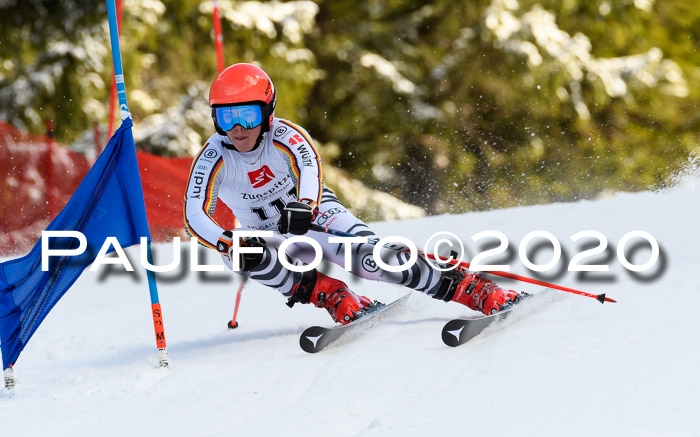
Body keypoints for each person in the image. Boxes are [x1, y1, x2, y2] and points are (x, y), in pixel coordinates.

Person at [184, 63, 522, 325]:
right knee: (240, 254)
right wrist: (227, 240)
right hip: (265, 232)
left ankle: (471, 289)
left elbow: (310, 170)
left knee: (369, 259)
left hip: (314, 216)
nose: (238, 128)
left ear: (267, 111)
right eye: (226, 117)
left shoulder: (286, 136)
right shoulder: (214, 156)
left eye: (247, 115)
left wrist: (304, 205)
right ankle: (332, 296)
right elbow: (194, 214)